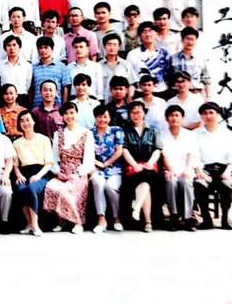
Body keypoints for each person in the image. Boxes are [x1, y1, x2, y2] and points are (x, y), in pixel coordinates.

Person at [43, 102, 94, 234]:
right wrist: (57, 172)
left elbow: (89, 160)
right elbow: (54, 158)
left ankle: (78, 222)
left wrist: (78, 173)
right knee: (51, 187)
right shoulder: (58, 134)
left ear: (77, 114)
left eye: (72, 113)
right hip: (62, 172)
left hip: (78, 173)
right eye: (66, 113)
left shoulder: (86, 133)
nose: (69, 116)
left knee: (66, 190)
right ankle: (61, 220)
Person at [194, 102, 232, 230]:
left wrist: (228, 171)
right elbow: (194, 155)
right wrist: (199, 170)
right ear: (201, 116)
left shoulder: (226, 134)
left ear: (218, 115)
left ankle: (225, 218)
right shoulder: (196, 134)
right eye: (205, 113)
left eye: (211, 113)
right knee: (199, 184)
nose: (208, 116)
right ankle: (206, 219)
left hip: (224, 170)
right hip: (205, 170)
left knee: (227, 185)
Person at [122, 100, 163, 232]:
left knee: (146, 177)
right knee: (144, 181)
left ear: (144, 113)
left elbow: (157, 149)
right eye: (133, 113)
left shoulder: (153, 130)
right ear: (129, 114)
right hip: (132, 167)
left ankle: (137, 207)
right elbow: (124, 149)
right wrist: (134, 164)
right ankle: (147, 222)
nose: (136, 115)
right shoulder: (125, 131)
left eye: (139, 112)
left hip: (149, 166)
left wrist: (150, 162)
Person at [12, 110, 53, 237]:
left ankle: (35, 225)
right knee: (21, 188)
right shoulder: (16, 143)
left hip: (40, 173)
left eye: (28, 120)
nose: (25, 123)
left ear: (34, 121)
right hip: (24, 173)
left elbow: (49, 163)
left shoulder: (44, 139)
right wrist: (18, 175)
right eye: (22, 121)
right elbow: (15, 164)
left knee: (31, 189)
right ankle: (29, 223)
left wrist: (38, 176)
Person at [161, 105, 197, 231]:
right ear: (167, 118)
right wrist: (170, 170)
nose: (174, 118)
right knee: (171, 181)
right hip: (168, 168)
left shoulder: (190, 135)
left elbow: (191, 154)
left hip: (185, 168)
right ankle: (174, 216)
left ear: (182, 118)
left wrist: (187, 169)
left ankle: (187, 217)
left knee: (185, 182)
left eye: (177, 115)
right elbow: (163, 154)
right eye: (171, 115)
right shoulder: (161, 134)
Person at [90, 105, 125, 233]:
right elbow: (87, 153)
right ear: (95, 118)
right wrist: (96, 164)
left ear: (109, 118)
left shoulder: (117, 130)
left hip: (114, 168)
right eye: (99, 117)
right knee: (98, 183)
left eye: (105, 117)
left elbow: (119, 151)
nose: (102, 120)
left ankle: (117, 218)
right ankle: (101, 219)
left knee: (110, 187)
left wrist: (106, 164)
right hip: (96, 168)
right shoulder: (89, 133)